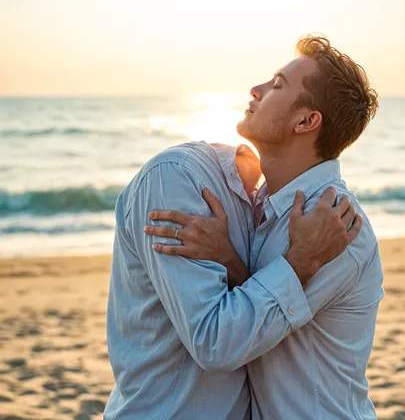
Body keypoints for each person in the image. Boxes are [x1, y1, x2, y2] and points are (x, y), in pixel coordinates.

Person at [146, 35, 384, 419]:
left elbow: (225, 343)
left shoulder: (336, 225)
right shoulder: (271, 207)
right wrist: (229, 259)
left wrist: (301, 258)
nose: (255, 90)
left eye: (276, 85)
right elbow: (270, 316)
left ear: (306, 121)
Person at [105, 143, 361, 417]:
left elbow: (257, 332)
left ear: (306, 120)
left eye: (276, 95)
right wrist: (295, 261)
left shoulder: (332, 223)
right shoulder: (176, 178)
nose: (254, 96)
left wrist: (295, 260)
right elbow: (218, 340)